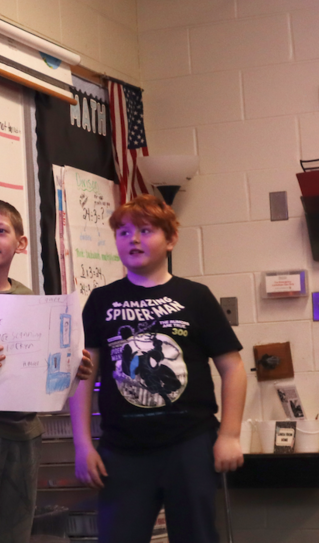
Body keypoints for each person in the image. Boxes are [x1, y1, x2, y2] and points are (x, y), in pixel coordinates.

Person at [69, 194, 246, 543]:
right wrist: (82, 445)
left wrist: (229, 435)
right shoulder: (102, 300)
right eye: (123, 232)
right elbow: (82, 377)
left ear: (171, 239)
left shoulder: (195, 296)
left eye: (146, 230)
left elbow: (234, 368)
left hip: (189, 443)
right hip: (122, 450)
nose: (133, 239)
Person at [0, 199, 92, 543]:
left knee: (17, 529)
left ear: (21, 244)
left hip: (26, 431)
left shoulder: (33, 300)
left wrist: (73, 369)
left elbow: (45, 372)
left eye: (0, 231)